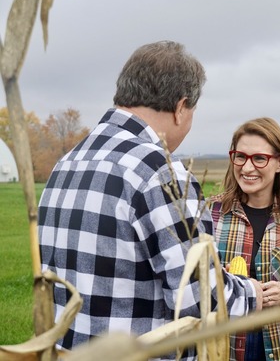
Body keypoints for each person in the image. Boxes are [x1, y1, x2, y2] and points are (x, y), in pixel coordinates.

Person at [38, 41, 262, 359]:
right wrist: (255, 293)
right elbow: (201, 301)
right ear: (180, 107)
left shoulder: (67, 164)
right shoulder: (160, 173)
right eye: (192, 111)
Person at [209, 117, 280, 361]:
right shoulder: (210, 214)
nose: (247, 168)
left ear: (279, 163)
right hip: (224, 347)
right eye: (240, 156)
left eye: (259, 158)